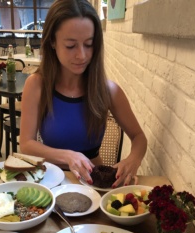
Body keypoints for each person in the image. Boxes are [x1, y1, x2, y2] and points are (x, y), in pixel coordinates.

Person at [20, 0, 147, 188]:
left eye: (88, 44)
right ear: (52, 42)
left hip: (93, 186)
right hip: (51, 183)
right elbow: (26, 144)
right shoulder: (37, 85)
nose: (82, 55)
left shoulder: (108, 90)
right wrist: (68, 155)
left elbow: (139, 138)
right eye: (71, 46)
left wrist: (132, 160)